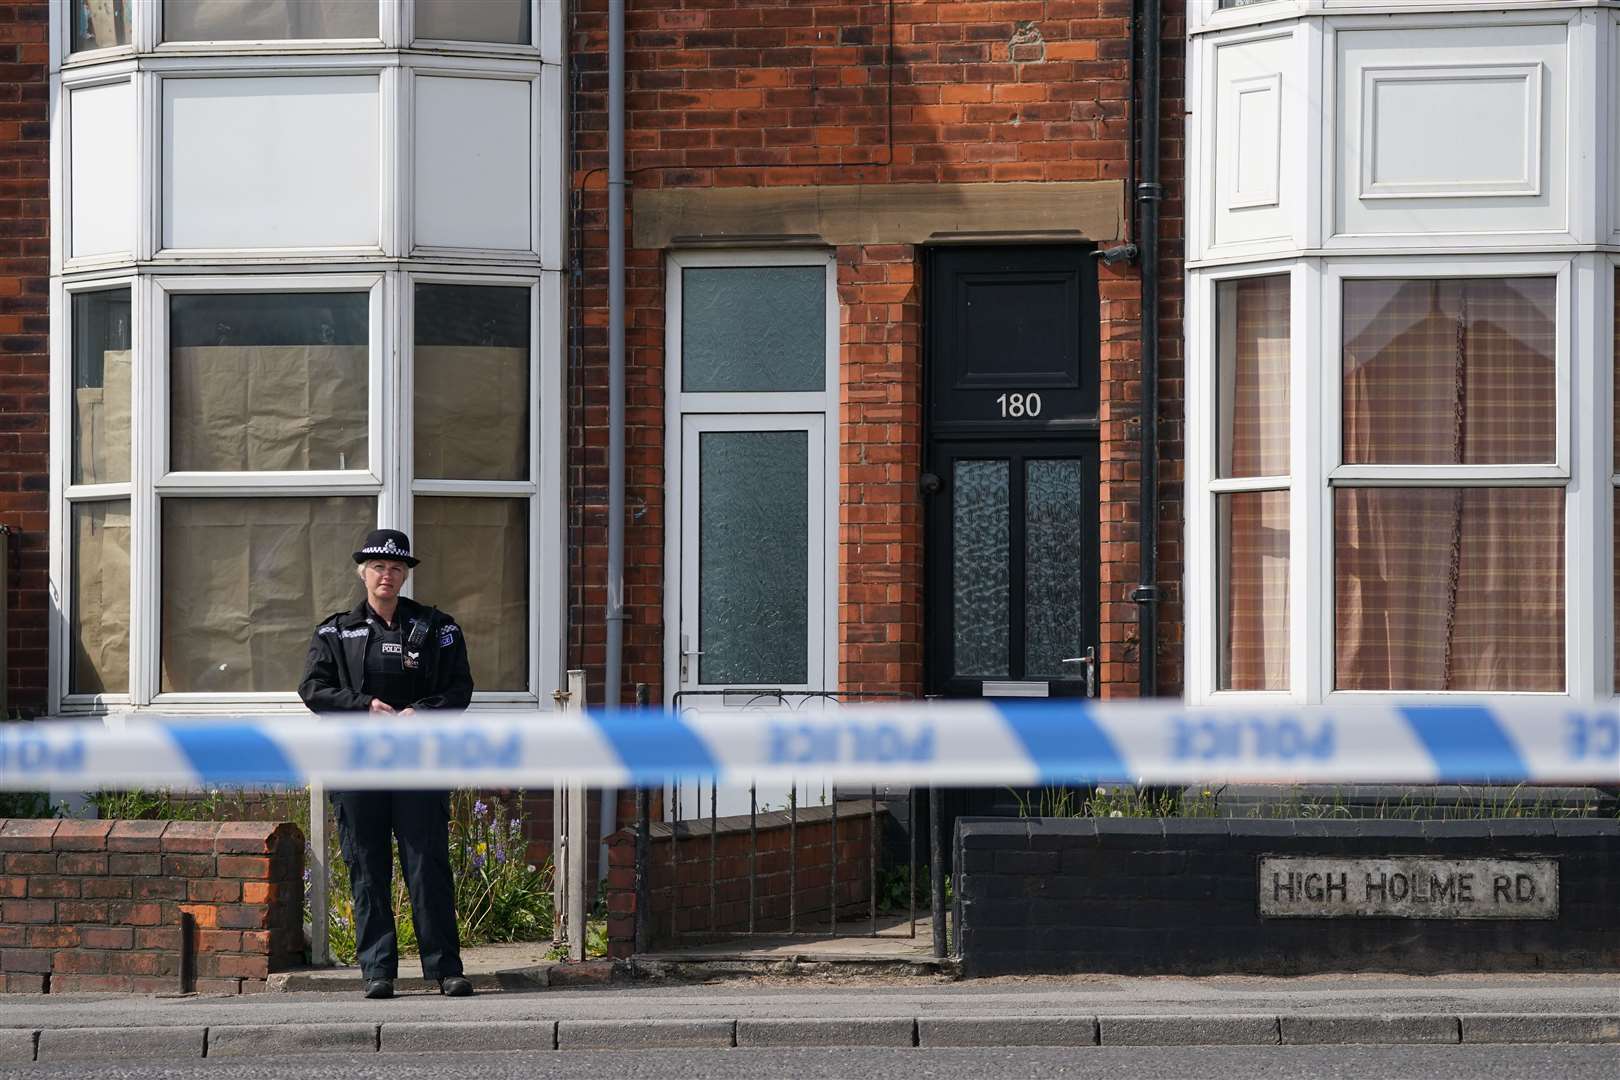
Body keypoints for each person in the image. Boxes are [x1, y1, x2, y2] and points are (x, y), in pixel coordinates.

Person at [298, 529, 475, 999]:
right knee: (367, 867)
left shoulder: (439, 628)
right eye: (378, 566)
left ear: (406, 574)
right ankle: (378, 972)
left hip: (420, 760)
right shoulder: (334, 631)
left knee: (427, 865)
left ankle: (445, 970)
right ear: (363, 573)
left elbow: (460, 689)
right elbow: (312, 689)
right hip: (357, 763)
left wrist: (424, 711)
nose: (387, 575)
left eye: (396, 568)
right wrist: (364, 706)